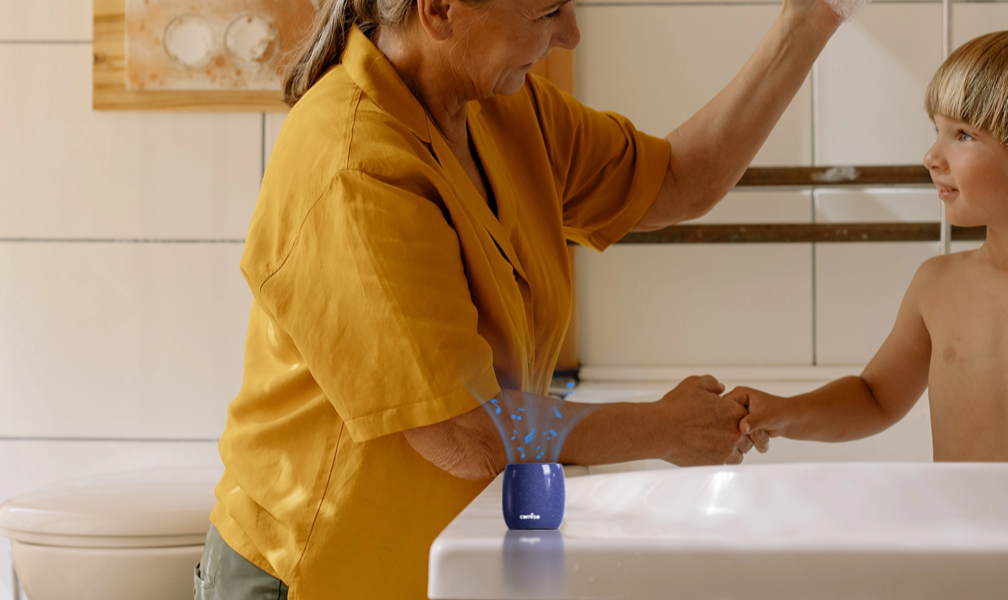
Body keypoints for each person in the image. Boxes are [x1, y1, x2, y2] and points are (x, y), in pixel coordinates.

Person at [195, 0, 846, 597]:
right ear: (441, 10)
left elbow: (676, 180)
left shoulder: (500, 107)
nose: (570, 33)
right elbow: (463, 435)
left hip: (434, 557)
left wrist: (811, 18)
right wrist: (662, 427)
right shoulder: (350, 165)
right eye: (546, 11)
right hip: (315, 570)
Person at [728, 30, 1008, 464]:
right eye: (937, 131)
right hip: (961, 534)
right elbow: (875, 397)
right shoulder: (937, 285)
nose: (932, 156)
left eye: (963, 135)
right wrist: (785, 412)